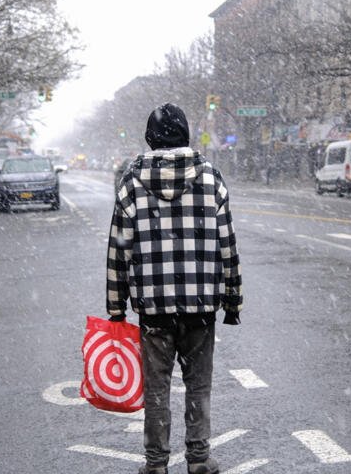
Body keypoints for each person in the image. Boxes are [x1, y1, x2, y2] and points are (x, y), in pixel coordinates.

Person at [106, 103, 243, 474]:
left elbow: (119, 250)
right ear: (185, 135)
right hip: (201, 304)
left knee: (156, 389)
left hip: (153, 307)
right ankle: (198, 459)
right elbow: (227, 245)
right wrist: (232, 300)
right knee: (198, 386)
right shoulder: (212, 178)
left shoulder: (132, 183)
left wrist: (116, 307)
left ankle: (156, 464)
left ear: (150, 138)